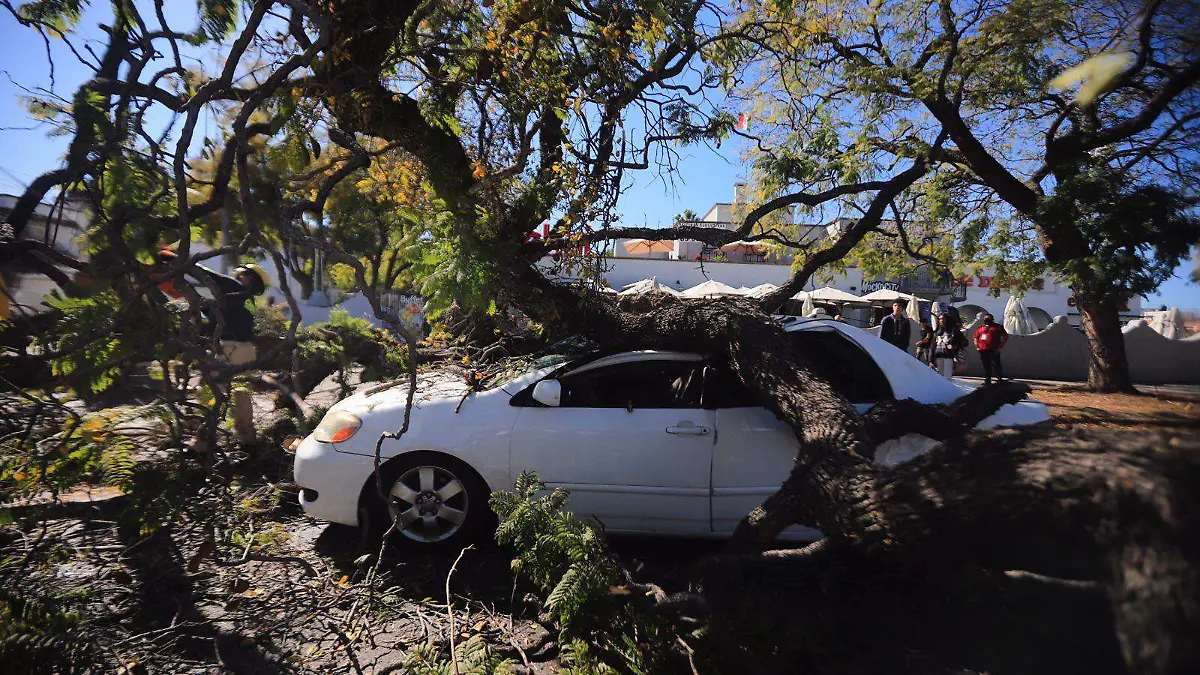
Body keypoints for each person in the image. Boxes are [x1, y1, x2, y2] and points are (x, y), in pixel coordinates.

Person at [152, 249, 268, 365]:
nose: (235, 274)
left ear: (248, 277)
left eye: (240, 272)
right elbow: (224, 316)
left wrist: (170, 257)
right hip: (249, 352)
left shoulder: (234, 285)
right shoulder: (249, 302)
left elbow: (203, 272)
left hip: (231, 349)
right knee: (241, 382)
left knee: (216, 380)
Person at [973, 312, 1009, 384]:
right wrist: (977, 346)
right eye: (985, 319)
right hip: (983, 350)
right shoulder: (981, 328)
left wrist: (1000, 346)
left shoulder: (997, 327)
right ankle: (987, 380)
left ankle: (999, 379)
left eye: (988, 319)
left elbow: (1005, 336)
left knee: (996, 364)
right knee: (986, 365)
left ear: (992, 319)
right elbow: (975, 337)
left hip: (994, 349)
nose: (986, 320)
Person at [932, 311, 967, 378]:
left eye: (942, 319)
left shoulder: (954, 331)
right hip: (939, 355)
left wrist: (954, 347)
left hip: (948, 357)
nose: (941, 321)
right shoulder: (938, 331)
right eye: (940, 319)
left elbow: (963, 342)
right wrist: (931, 359)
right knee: (940, 376)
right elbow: (932, 346)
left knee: (947, 377)